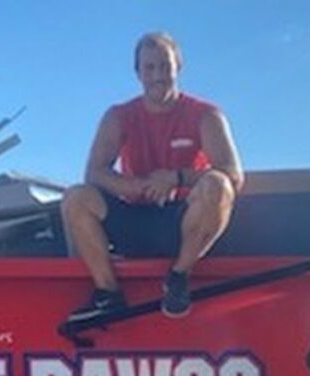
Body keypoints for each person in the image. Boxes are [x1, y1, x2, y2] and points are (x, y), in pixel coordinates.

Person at [61, 31, 243, 324]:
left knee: (218, 185)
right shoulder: (119, 116)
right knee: (76, 197)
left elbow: (233, 174)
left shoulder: (206, 114)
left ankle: (179, 277)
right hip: (135, 217)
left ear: (178, 68)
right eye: (150, 68)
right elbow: (94, 172)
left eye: (165, 66)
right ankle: (108, 293)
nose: (158, 76)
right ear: (137, 73)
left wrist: (176, 178)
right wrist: (130, 186)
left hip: (185, 224)